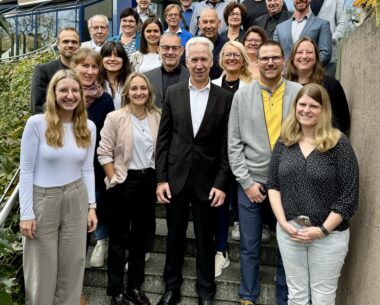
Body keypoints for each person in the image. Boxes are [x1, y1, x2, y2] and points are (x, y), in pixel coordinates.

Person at [155, 37, 233, 305]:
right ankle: (171, 288)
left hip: (208, 181)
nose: (199, 65)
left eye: (204, 59)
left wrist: (222, 183)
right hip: (176, 178)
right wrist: (161, 179)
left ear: (212, 62)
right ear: (186, 61)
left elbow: (227, 146)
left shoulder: (225, 98)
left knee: (205, 240)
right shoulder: (173, 93)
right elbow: (163, 140)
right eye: (194, 59)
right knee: (174, 236)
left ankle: (205, 292)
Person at [267, 83, 359, 305]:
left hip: (328, 235)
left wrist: (322, 230)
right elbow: (273, 185)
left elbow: (349, 196)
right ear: (295, 106)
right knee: (296, 295)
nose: (306, 110)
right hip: (290, 232)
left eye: (313, 105)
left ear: (324, 110)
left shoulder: (339, 144)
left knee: (323, 298)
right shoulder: (284, 141)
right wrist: (282, 223)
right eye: (302, 104)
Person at [228, 41, 302, 305]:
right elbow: (234, 143)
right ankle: (248, 296)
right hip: (252, 183)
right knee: (249, 246)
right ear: (256, 62)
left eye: (275, 58)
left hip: (290, 183)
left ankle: (286, 298)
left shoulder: (299, 93)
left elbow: (309, 138)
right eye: (264, 58)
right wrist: (246, 182)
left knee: (288, 245)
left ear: (284, 61)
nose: (270, 63)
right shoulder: (242, 95)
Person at [20, 69, 97, 305]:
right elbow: (27, 170)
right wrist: (26, 213)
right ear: (54, 93)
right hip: (44, 199)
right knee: (41, 270)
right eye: (63, 90)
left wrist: (91, 206)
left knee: (73, 265)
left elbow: (87, 169)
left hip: (76, 197)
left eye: (75, 90)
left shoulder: (88, 126)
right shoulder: (36, 124)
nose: (70, 95)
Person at [97, 72, 161, 305]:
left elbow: (160, 151)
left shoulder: (156, 116)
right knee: (118, 238)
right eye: (134, 88)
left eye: (143, 88)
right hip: (123, 181)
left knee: (140, 238)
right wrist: (113, 179)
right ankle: (116, 291)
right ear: (127, 92)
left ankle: (134, 287)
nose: (139, 92)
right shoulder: (115, 117)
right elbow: (104, 152)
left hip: (147, 181)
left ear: (149, 92)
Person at [71, 48, 115, 269]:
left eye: (94, 67)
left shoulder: (105, 100)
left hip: (94, 166)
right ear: (74, 67)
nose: (89, 71)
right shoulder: (66, 94)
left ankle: (100, 241)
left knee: (96, 206)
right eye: (84, 66)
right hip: (68, 168)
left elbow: (107, 137)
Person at [211, 40, 253, 277]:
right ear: (221, 59)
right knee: (218, 203)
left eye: (236, 54)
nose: (231, 58)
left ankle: (247, 260)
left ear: (244, 58)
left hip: (245, 155)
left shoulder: (252, 85)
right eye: (227, 54)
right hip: (218, 155)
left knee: (242, 206)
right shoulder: (213, 84)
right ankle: (220, 251)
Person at [286, 36, 351, 133]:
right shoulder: (285, 85)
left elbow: (343, 121)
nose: (304, 56)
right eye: (299, 52)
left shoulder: (330, 85)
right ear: (292, 57)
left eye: (309, 52)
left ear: (316, 57)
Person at [31, 27, 80, 114]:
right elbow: (38, 106)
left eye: (74, 42)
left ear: (79, 45)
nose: (70, 45)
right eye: (65, 41)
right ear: (58, 45)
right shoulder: (44, 70)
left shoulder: (86, 71)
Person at [273, 0, 332, 65]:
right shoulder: (280, 28)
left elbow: (325, 54)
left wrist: (306, 68)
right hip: (286, 73)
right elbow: (275, 54)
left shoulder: (322, 24)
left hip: (310, 73)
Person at [145, 33, 189, 108]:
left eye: (175, 48)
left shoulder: (191, 77)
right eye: (166, 48)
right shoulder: (147, 77)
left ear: (181, 50)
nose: (170, 52)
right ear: (158, 50)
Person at [310, 0, 347, 76]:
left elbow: (342, 21)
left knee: (326, 86)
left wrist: (332, 38)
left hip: (328, 55)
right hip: (306, 55)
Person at [100, 41, 132, 110]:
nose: (112, 59)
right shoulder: (95, 83)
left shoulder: (131, 82)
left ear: (123, 60)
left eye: (117, 56)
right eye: (108, 55)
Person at [198, 8, 228, 80]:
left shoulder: (227, 45)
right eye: (205, 22)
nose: (208, 26)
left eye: (212, 22)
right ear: (199, 24)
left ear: (219, 23)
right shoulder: (192, 45)